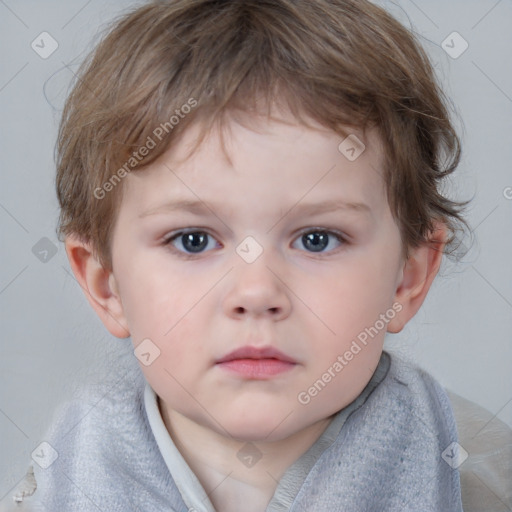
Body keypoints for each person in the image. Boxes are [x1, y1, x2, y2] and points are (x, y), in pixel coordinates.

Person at [17, 0, 470, 510]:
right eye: (193, 240)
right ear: (106, 284)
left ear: (408, 277)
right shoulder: (56, 490)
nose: (256, 293)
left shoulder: (479, 477)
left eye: (317, 239)